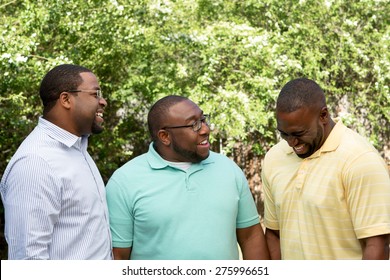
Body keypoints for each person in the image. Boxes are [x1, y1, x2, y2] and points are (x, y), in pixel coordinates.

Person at [106, 95, 269, 260]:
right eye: (194, 125)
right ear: (165, 136)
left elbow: (250, 237)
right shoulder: (124, 181)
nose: (205, 129)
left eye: (203, 120)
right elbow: (118, 256)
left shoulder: (228, 169)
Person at [262, 77, 390, 260]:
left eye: (299, 133)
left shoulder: (360, 160)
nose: (291, 143)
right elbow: (274, 233)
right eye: (284, 134)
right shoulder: (274, 158)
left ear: (323, 116)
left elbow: (377, 246)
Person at [0, 64, 112, 259]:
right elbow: (28, 260)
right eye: (95, 94)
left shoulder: (77, 148)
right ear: (66, 99)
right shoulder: (36, 163)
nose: (103, 102)